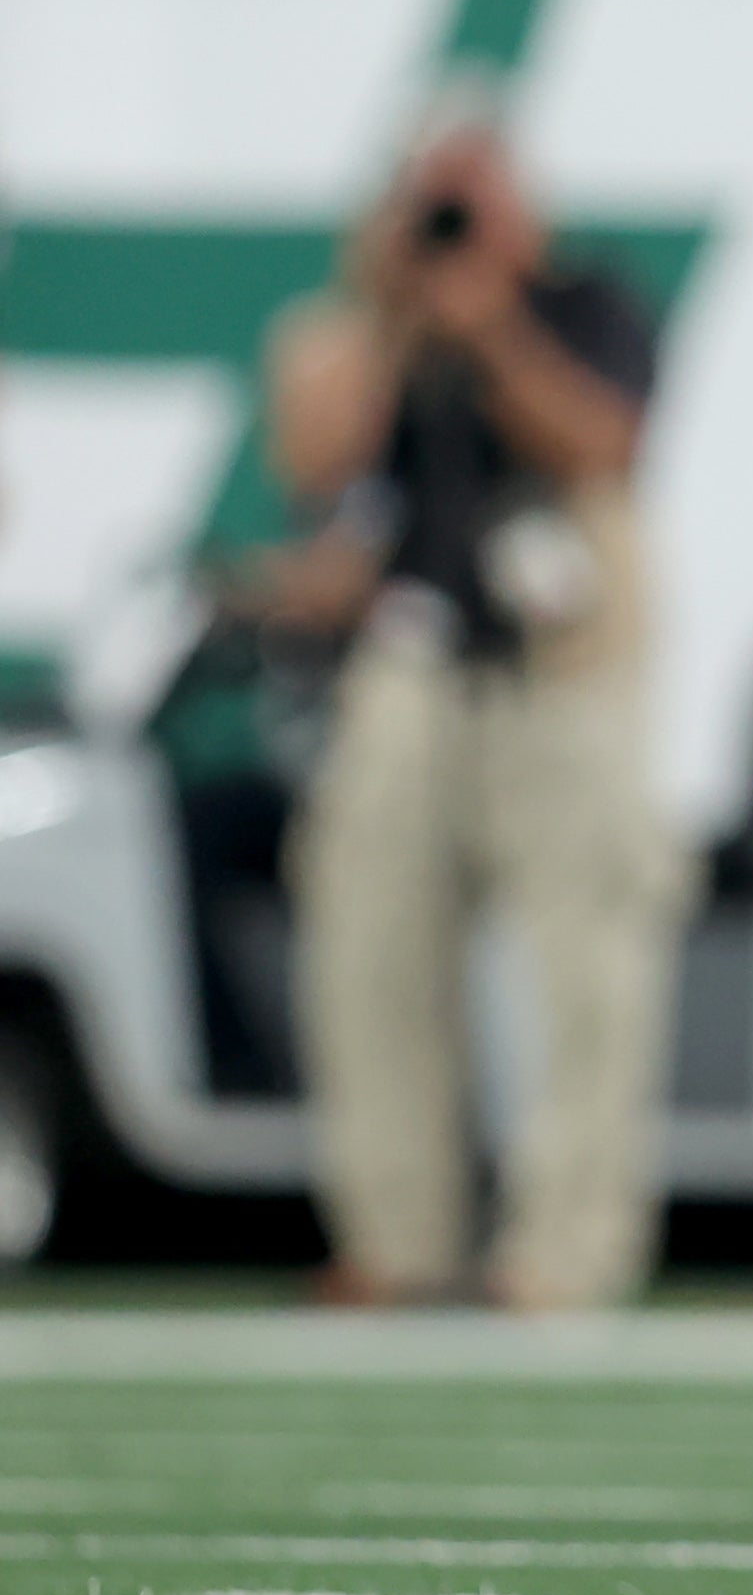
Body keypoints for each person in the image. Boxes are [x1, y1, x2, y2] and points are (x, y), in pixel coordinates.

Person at [265, 101, 681, 1310]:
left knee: (586, 973)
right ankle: (398, 1236)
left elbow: (600, 443)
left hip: (567, 671)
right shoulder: (369, 324)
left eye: (470, 189)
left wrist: (492, 318)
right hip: (413, 664)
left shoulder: (583, 299)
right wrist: (398, 308)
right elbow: (316, 459)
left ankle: (566, 1247)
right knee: (371, 955)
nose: (452, 216)